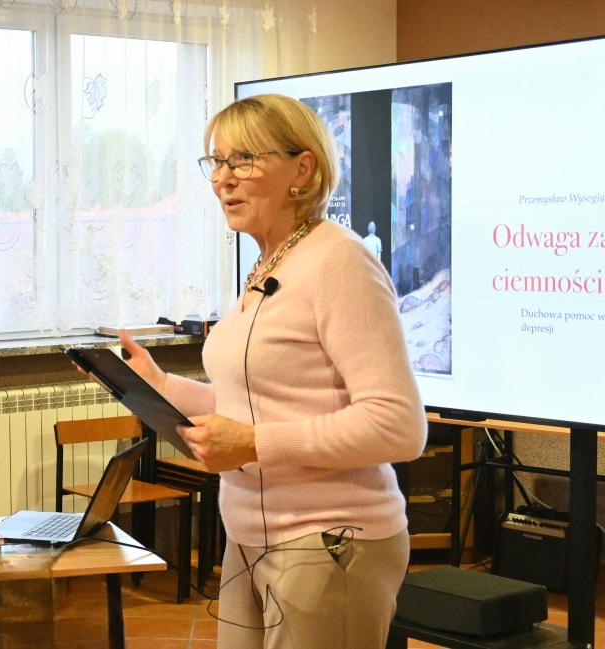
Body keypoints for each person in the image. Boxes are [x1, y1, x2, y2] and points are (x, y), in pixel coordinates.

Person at [118, 96, 426, 648]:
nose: (223, 179)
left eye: (243, 160)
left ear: (302, 169)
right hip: (249, 535)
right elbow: (255, 403)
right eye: (217, 162)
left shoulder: (340, 260)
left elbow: (399, 426)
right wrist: (161, 387)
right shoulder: (270, 262)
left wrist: (255, 443)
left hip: (330, 539)